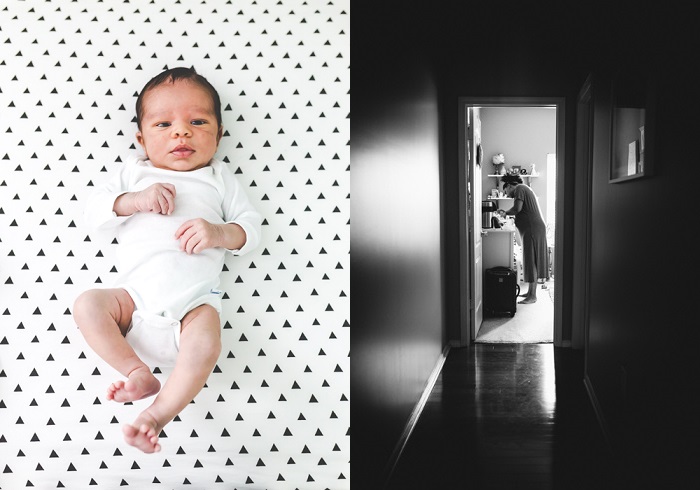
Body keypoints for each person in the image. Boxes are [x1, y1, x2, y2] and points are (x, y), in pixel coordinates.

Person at [73, 67, 262, 453]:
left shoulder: (218, 177)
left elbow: (251, 230)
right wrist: (134, 201)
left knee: (207, 344)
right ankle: (137, 372)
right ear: (142, 139)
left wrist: (219, 232)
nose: (181, 132)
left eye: (197, 121)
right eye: (164, 124)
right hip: (131, 303)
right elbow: (93, 213)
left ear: (219, 135)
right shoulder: (135, 172)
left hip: (193, 307)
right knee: (88, 304)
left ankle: (155, 416)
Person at [497, 174, 548, 304]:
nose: (507, 194)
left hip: (532, 228)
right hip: (532, 228)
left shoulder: (520, 188)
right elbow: (522, 211)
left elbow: (517, 209)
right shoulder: (524, 189)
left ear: (509, 185)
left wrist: (504, 213)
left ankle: (533, 296)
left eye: (506, 191)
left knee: (531, 261)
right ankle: (530, 292)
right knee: (531, 260)